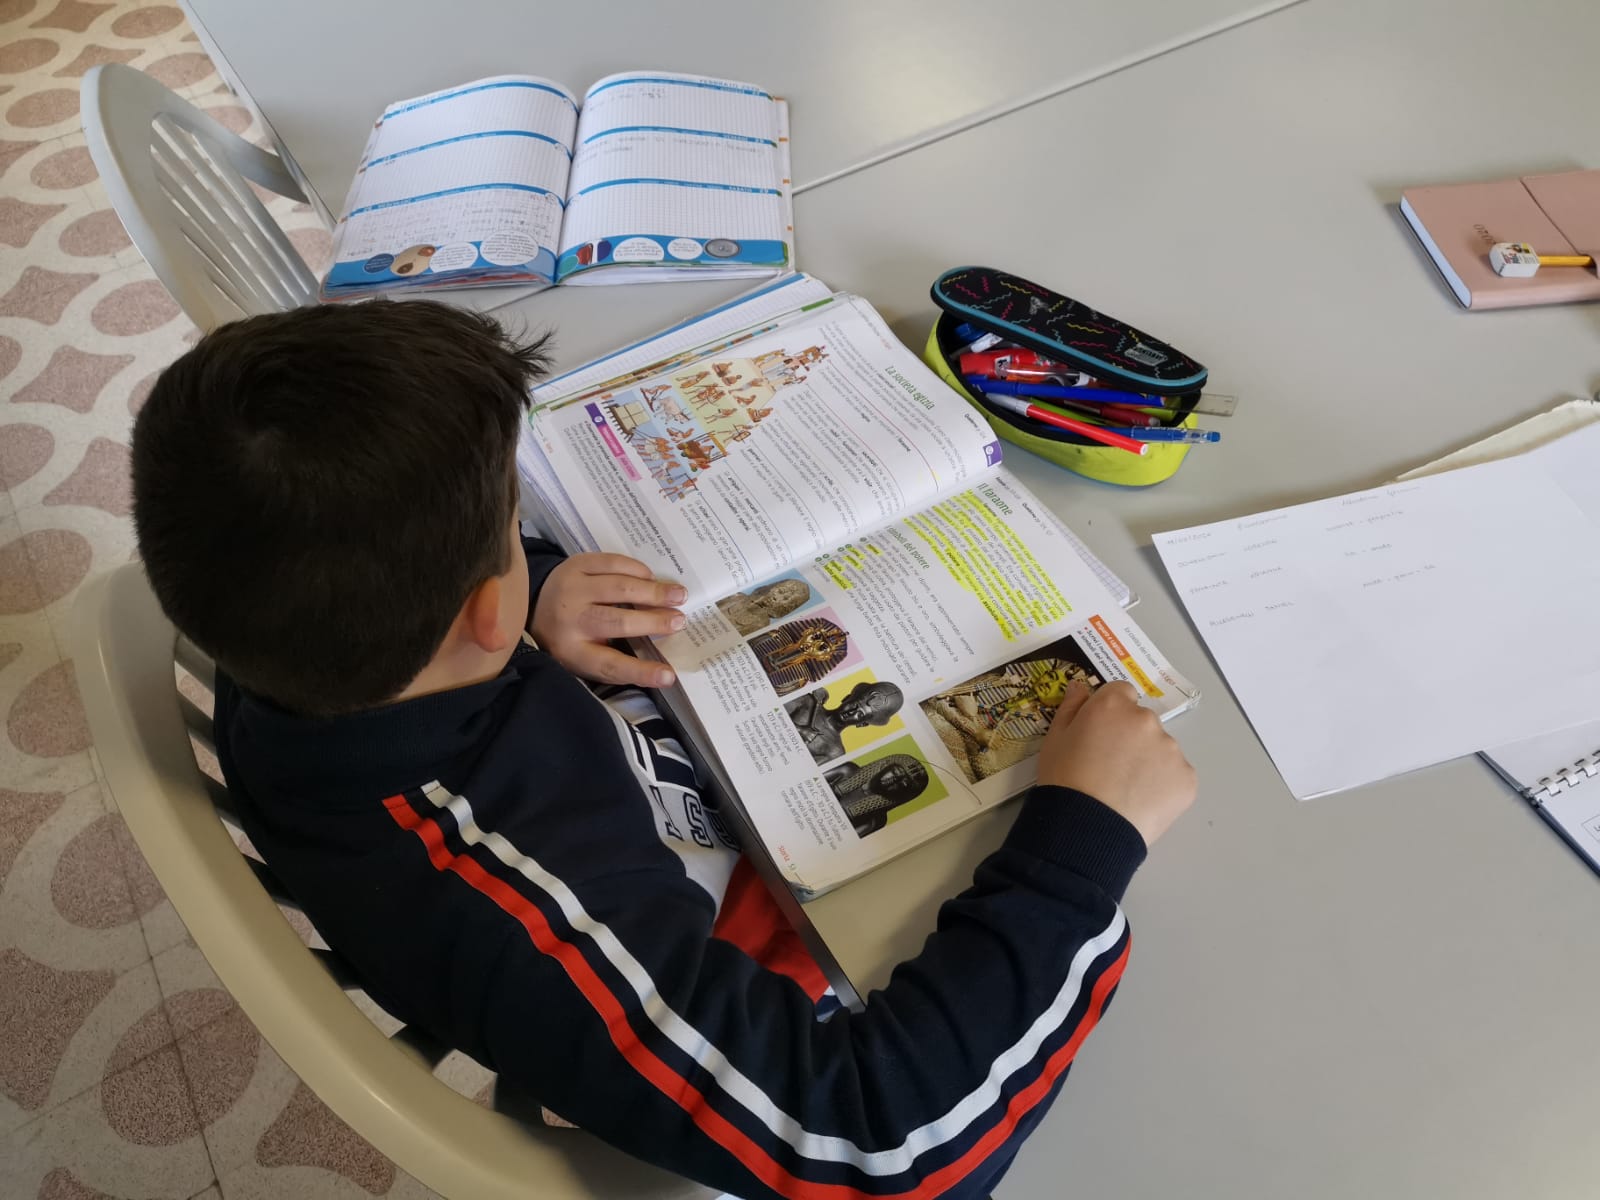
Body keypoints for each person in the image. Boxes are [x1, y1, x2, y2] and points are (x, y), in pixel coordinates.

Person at [130, 299, 1198, 1200]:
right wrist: (1082, 846)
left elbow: (427, 578)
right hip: (765, 968)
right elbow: (882, 1145)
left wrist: (534, 594)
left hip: (638, 781)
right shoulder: (508, 907)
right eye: (511, 524)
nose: (518, 530)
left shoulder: (292, 627)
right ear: (478, 615)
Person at [785, 680, 904, 764]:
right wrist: (799, 730)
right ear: (847, 698)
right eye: (854, 704)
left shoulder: (835, 752)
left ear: (862, 724)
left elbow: (801, 772)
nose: (851, 712)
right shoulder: (808, 702)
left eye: (860, 714)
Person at [824, 753, 929, 837]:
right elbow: (814, 779)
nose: (894, 780)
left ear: (902, 794)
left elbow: (845, 841)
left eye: (903, 784)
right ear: (885, 766)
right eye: (895, 773)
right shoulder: (847, 770)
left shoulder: (875, 820)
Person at [716, 576, 813, 635]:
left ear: (788, 608)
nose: (776, 598)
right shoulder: (739, 597)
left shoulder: (762, 623)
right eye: (780, 591)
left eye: (785, 599)